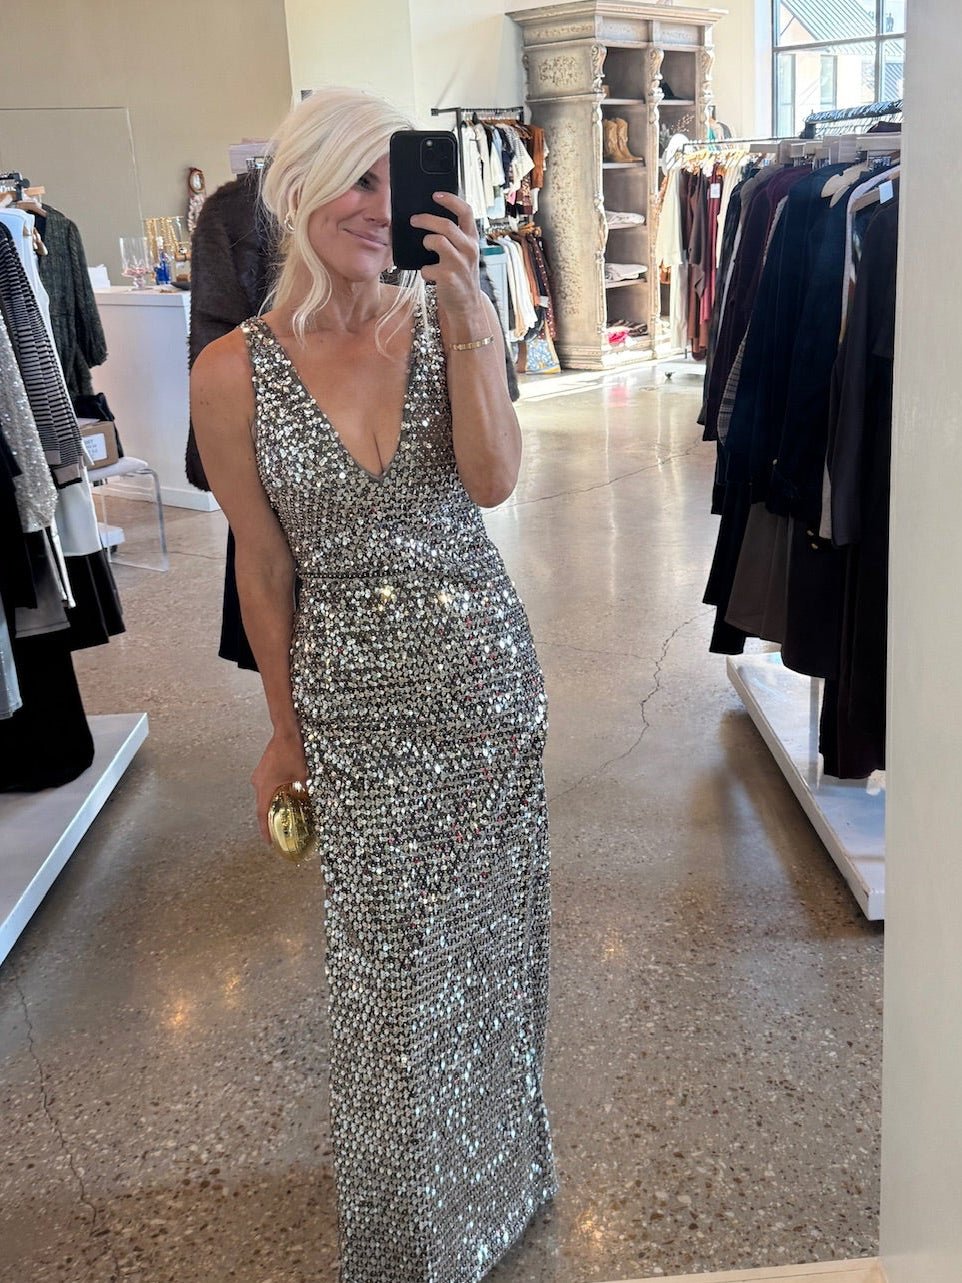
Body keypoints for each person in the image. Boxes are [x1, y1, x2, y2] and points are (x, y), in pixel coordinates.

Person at [190, 87, 557, 1283]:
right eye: (356, 180)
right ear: (295, 188)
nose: (377, 208)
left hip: (483, 686)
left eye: (397, 183)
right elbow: (261, 564)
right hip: (350, 709)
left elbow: (491, 483)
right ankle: (407, 1236)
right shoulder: (231, 371)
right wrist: (280, 732)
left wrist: (467, 310)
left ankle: (500, 1184)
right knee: (388, 983)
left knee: (487, 954)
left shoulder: (448, 319)